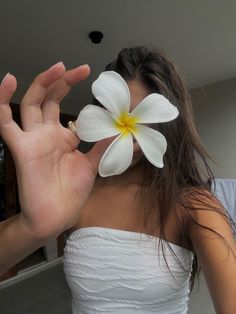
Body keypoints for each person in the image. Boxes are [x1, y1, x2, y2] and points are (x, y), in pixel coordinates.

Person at [0, 47, 235, 313]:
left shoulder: (193, 205)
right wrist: (31, 227)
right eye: (115, 117)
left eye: (146, 122)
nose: (132, 139)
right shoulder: (79, 193)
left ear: (166, 127)